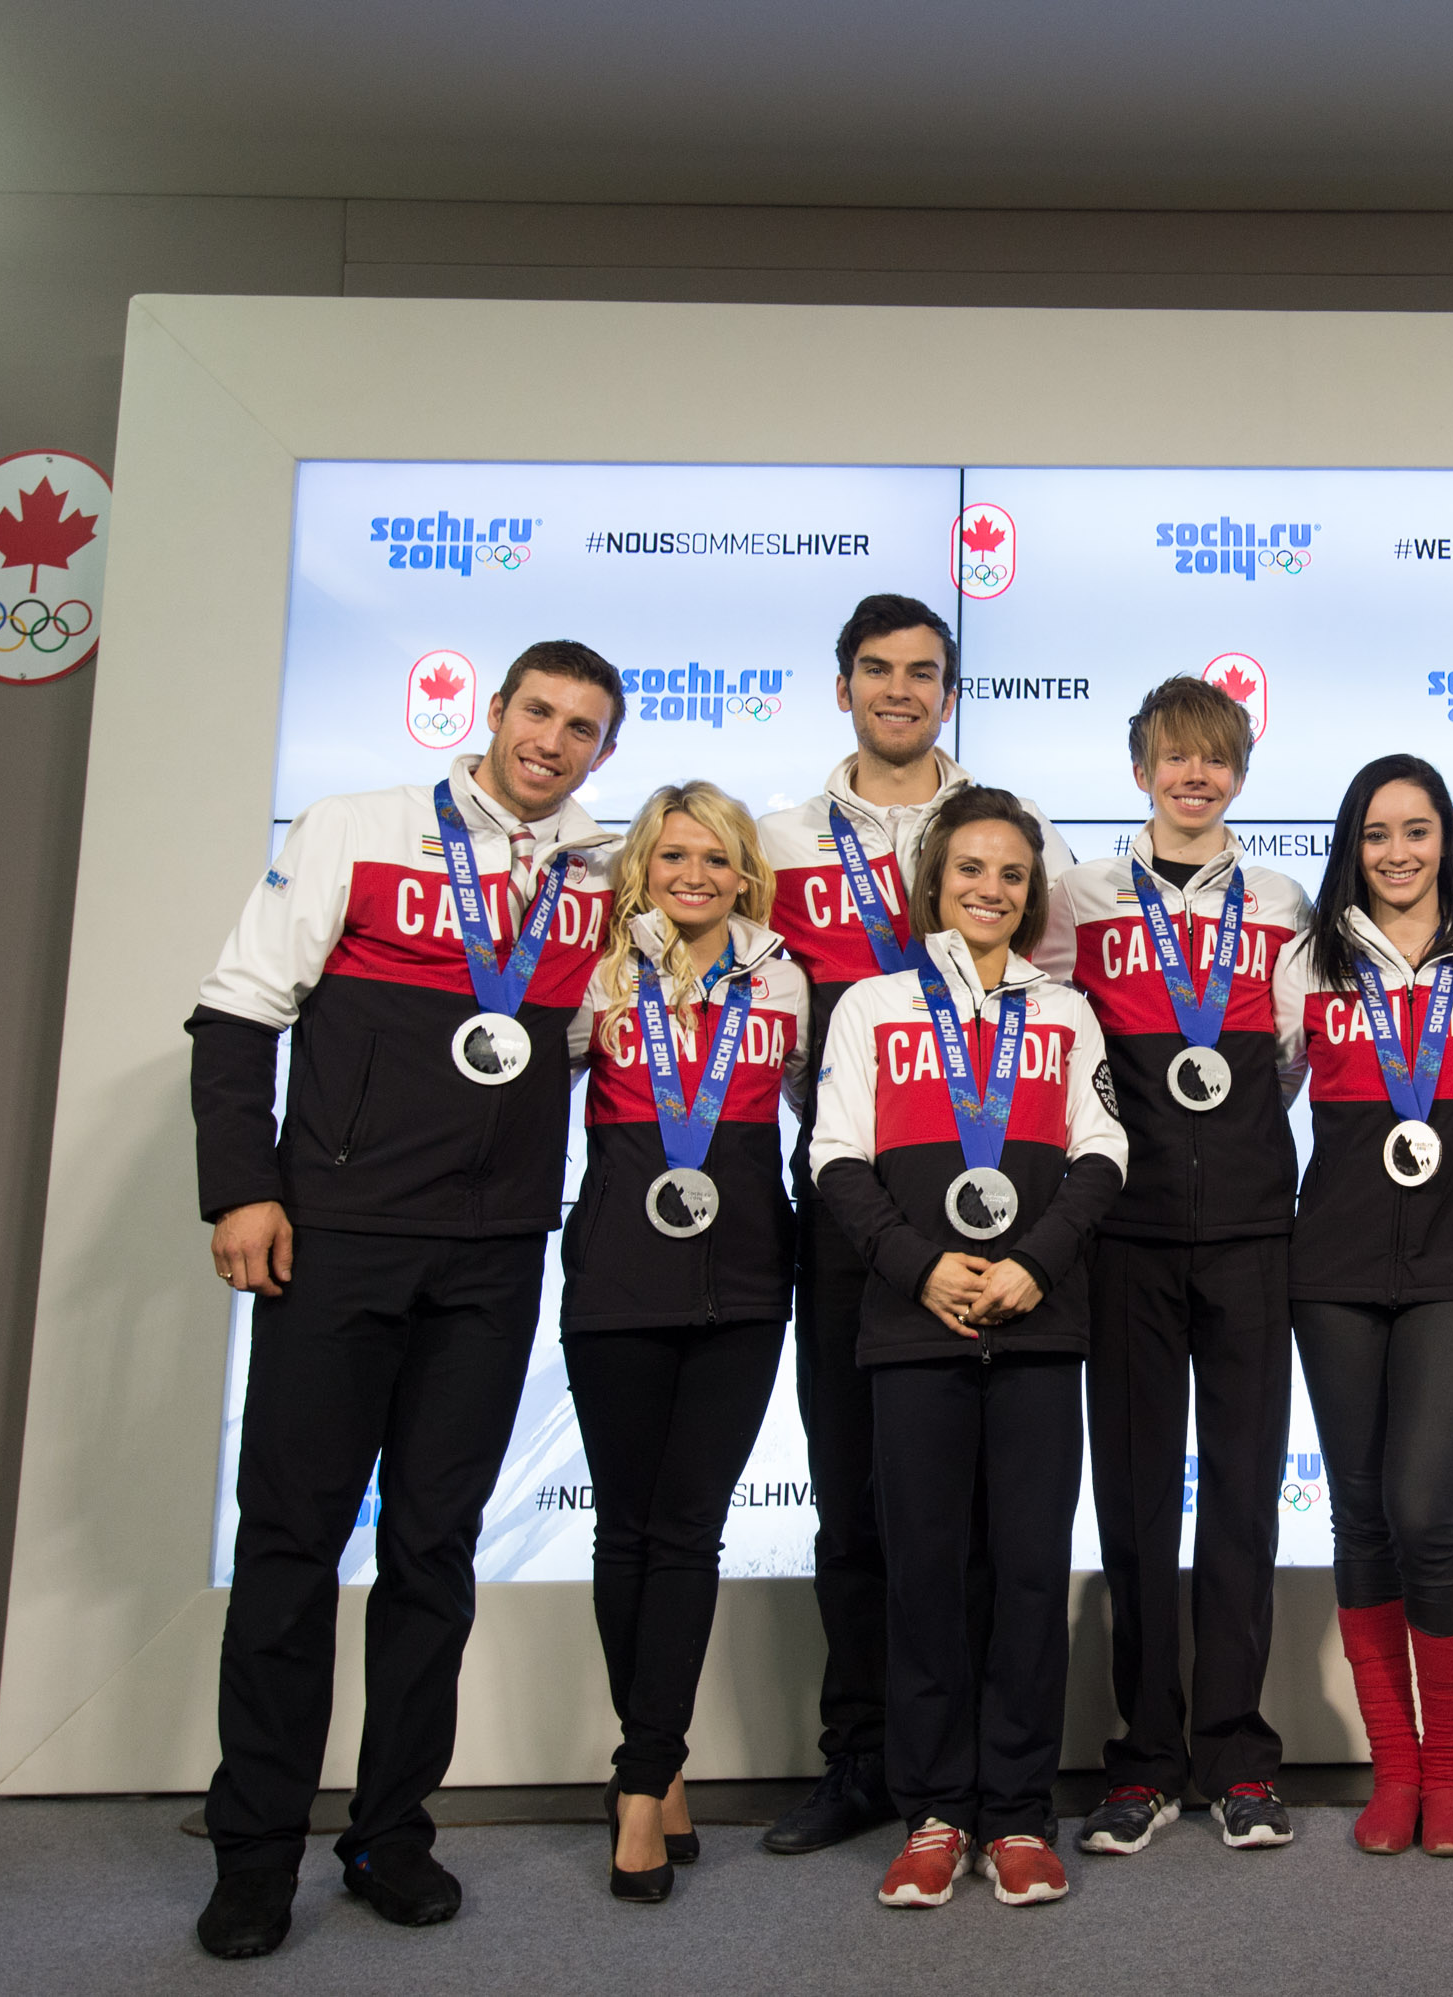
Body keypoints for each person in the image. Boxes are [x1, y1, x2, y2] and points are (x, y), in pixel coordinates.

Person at [183, 643, 624, 1959]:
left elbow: (618, 1031)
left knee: (434, 1554)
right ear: (493, 714)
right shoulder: (357, 829)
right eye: (537, 712)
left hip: (492, 1257)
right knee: (289, 1550)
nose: (551, 740)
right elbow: (235, 1015)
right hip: (339, 1242)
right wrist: (240, 1191)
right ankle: (256, 1848)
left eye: (581, 727)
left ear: (604, 750)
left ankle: (389, 1832)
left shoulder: (603, 881)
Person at [755, 595, 1076, 1857]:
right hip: (853, 1207)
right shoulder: (779, 838)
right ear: (842, 687)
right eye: (878, 671)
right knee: (857, 1496)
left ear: (950, 690)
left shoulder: (1009, 834)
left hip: (1000, 1210)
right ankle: (864, 1758)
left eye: (925, 673)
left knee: (990, 1513)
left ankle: (985, 1784)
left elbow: (1051, 1009)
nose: (901, 690)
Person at [810, 787, 1127, 1909]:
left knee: (1033, 1573)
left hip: (1040, 1324)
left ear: (1030, 893)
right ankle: (936, 1810)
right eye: (969, 870)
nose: (989, 889)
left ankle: (1020, 1813)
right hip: (914, 1326)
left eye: (1010, 874)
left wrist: (1036, 1260)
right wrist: (918, 1266)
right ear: (932, 883)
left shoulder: (1066, 1010)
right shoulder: (870, 1004)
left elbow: (1103, 1150)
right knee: (926, 1575)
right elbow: (835, 1158)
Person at [1272, 756, 1453, 1857]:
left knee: (1426, 1511)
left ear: (1447, 841)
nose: (1397, 851)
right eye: (1376, 831)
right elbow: (1257, 1096)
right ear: (1352, 842)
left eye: (1418, 830)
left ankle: (1452, 1768)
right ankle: (1394, 1769)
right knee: (1360, 1515)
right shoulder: (1308, 965)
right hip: (1331, 1265)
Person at [1061, 676, 1313, 1855]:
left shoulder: (1283, 900)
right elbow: (1056, 1052)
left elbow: (1291, 1059)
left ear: (1241, 775)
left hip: (1257, 1230)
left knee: (1248, 1498)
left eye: (1215, 759)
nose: (1194, 776)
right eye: (1174, 757)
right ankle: (1144, 1756)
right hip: (1127, 1235)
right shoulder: (1081, 899)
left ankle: (1238, 1752)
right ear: (1140, 769)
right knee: (1136, 1500)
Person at [560, 783, 809, 1902]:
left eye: (716, 856)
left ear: (746, 870)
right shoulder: (596, 976)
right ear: (640, 869)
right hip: (616, 1276)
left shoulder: (784, 977)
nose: (694, 874)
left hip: (746, 1282)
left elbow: (831, 1108)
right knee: (627, 1527)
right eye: (671, 857)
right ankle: (648, 1774)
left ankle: (643, 1773)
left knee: (689, 1528)